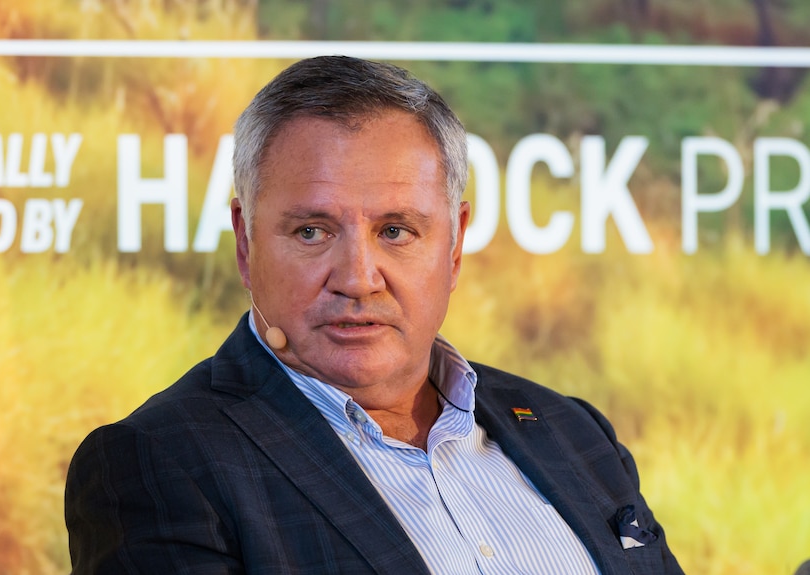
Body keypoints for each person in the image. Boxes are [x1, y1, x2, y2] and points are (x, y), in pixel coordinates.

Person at [65, 55, 683, 574]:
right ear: (246, 244)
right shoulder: (157, 463)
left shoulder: (572, 429)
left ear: (455, 243)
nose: (358, 278)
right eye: (311, 231)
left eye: (395, 230)